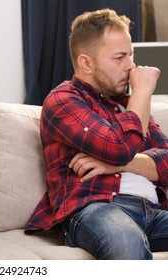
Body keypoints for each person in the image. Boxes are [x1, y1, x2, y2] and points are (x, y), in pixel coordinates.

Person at [25, 8, 168, 259]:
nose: (131, 65)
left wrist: (119, 165)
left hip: (153, 211)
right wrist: (143, 93)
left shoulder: (127, 105)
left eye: (131, 55)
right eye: (119, 57)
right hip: (97, 208)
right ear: (86, 63)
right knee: (126, 243)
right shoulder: (63, 100)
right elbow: (118, 147)